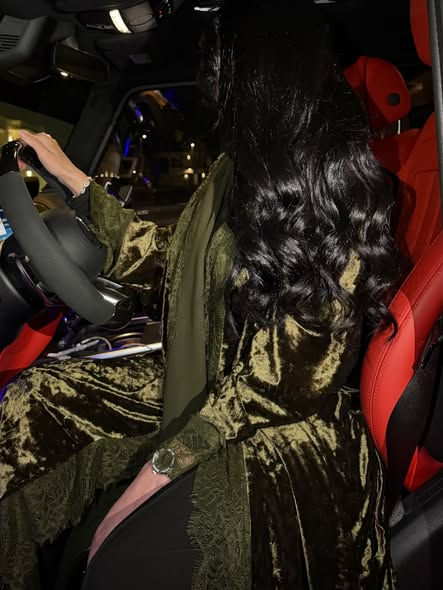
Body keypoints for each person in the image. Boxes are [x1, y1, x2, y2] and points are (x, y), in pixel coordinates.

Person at [0, 0, 399, 587]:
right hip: (218, 372)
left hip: (277, 426)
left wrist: (151, 481)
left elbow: (278, 385)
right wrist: (78, 184)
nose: (213, 88)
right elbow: (177, 259)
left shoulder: (320, 186)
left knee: (144, 552)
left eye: (223, 70)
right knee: (36, 403)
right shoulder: (236, 170)